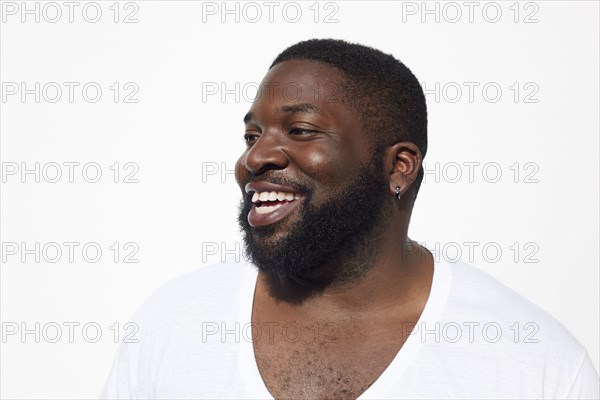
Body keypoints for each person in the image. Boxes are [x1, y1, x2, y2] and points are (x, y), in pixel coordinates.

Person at [100, 39, 599, 399]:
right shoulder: (176, 322)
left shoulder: (532, 363)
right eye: (252, 136)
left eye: (299, 129)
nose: (254, 159)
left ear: (398, 167)